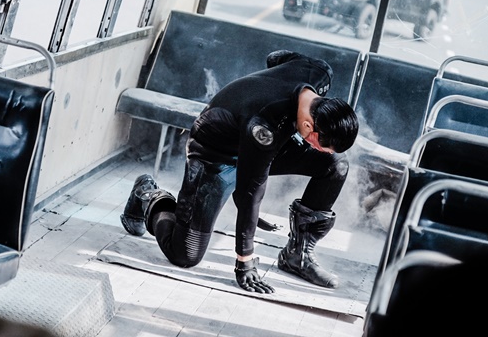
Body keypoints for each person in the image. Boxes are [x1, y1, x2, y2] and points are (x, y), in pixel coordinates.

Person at [120, 50, 359, 294]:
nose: (320, 150)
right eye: (320, 145)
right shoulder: (265, 126)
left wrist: (261, 86)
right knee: (185, 254)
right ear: (308, 125)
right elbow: (248, 194)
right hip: (215, 154)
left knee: (335, 164)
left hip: (256, 142)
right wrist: (245, 260)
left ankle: (297, 255)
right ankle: (148, 195)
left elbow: (276, 58)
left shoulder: (319, 72)